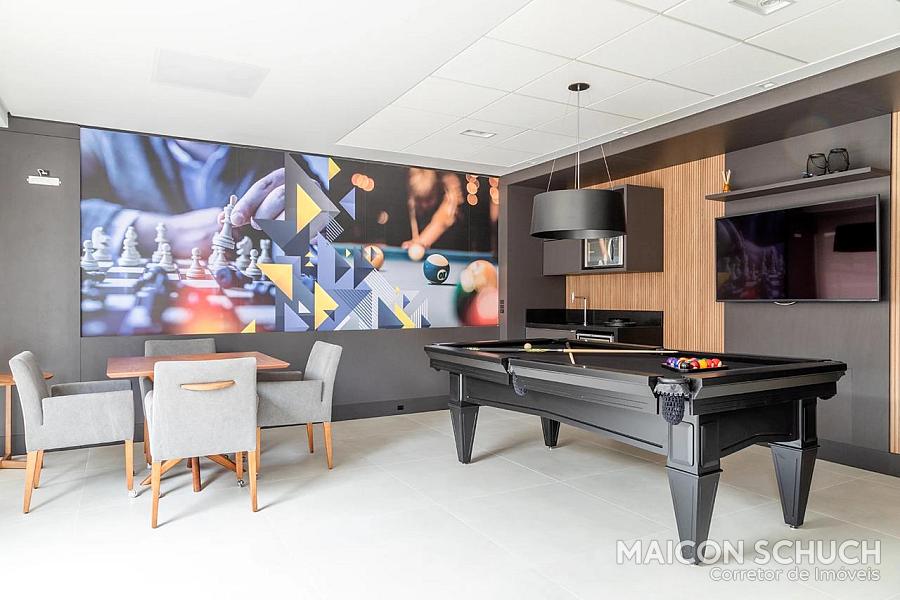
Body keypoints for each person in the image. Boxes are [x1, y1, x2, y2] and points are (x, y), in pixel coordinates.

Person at [81, 129, 284, 257]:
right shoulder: (103, 137)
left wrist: (303, 220)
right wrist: (165, 233)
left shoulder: (279, 149)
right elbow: (64, 208)